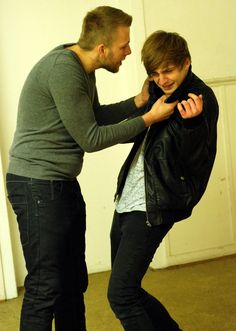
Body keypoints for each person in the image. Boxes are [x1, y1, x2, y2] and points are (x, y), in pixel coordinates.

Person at [6, 7, 177, 331]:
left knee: (73, 282)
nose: (129, 51)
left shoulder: (82, 69)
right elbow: (90, 138)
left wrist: (138, 102)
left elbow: (93, 116)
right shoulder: (63, 69)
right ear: (103, 49)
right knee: (45, 287)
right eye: (124, 45)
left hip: (60, 184)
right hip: (37, 184)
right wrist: (148, 118)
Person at [107, 30, 219, 331]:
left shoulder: (199, 98)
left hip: (153, 204)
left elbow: (195, 160)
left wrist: (192, 125)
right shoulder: (158, 92)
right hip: (128, 200)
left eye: (168, 70)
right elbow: (130, 136)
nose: (162, 78)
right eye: (155, 73)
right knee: (129, 289)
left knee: (120, 295)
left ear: (186, 63)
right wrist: (145, 108)